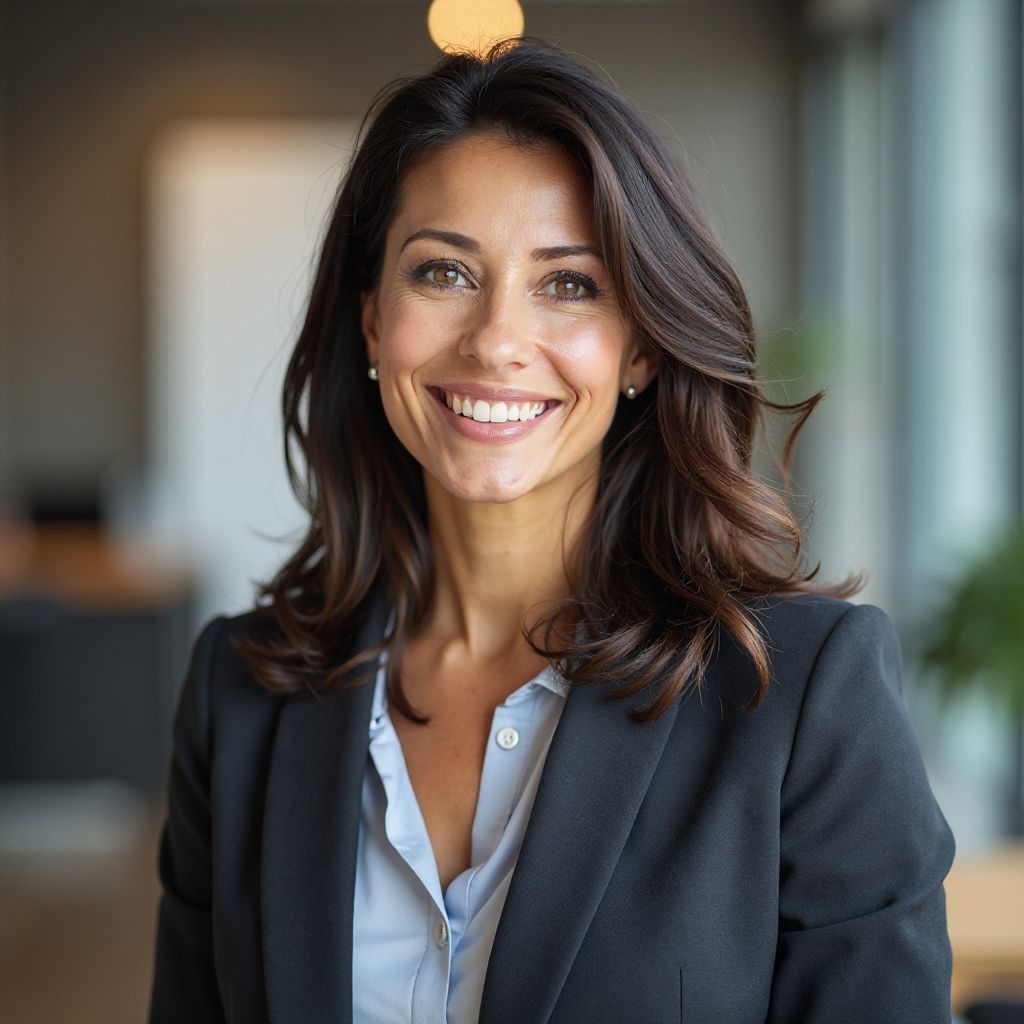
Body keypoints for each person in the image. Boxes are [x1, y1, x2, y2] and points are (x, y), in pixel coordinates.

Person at [148, 38, 955, 1024]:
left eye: (567, 283)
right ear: (370, 322)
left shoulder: (796, 692)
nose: (493, 339)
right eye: (442, 272)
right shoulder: (240, 691)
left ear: (643, 347)